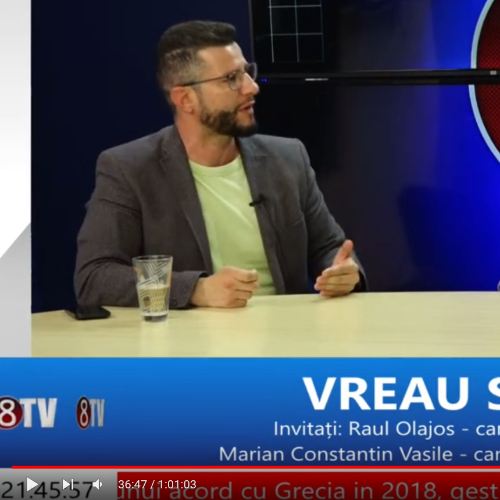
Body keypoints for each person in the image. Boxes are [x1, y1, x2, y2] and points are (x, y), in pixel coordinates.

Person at [74, 20, 367, 310]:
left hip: (285, 332)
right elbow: (95, 277)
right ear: (185, 99)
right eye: (231, 79)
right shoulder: (130, 169)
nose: (252, 87)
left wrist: (344, 272)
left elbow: (329, 248)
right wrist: (196, 290)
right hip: (190, 339)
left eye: (247, 72)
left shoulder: (288, 158)